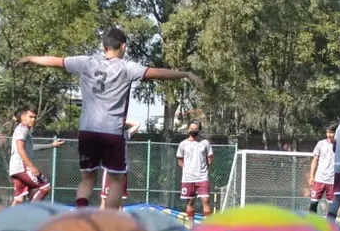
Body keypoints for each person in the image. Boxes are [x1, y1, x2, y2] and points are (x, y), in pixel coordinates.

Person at [17, 28, 202, 210]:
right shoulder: (127, 67)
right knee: (116, 180)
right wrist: (185, 74)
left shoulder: (85, 62)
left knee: (87, 179)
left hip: (87, 131)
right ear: (123, 47)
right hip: (112, 132)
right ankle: (109, 222)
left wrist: (31, 58)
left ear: (103, 46)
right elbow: (158, 72)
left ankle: (81, 214)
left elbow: (56, 61)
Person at [8, 105, 63, 204]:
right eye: (30, 117)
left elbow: (31, 147)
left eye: (34, 117)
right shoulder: (23, 128)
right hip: (22, 167)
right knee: (45, 187)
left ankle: (9, 215)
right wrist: (31, 167)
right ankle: (31, 211)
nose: (33, 119)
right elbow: (20, 149)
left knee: (19, 198)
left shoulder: (23, 130)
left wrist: (51, 145)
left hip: (15, 169)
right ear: (23, 116)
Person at [177, 120, 215, 221]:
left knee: (206, 200)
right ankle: (191, 226)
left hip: (202, 176)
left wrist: (202, 169)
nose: (193, 130)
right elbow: (180, 160)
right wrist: (187, 170)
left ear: (199, 130)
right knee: (190, 201)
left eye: (195, 129)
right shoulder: (183, 144)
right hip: (188, 178)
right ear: (188, 129)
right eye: (191, 128)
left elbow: (210, 159)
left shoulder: (205, 143)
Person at [307, 125, 336, 215]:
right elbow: (315, 160)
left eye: (331, 133)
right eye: (327, 132)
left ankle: (330, 223)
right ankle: (312, 222)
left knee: (332, 207)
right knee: (313, 204)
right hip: (319, 179)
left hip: (332, 180)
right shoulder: (320, 144)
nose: (329, 135)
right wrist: (312, 176)